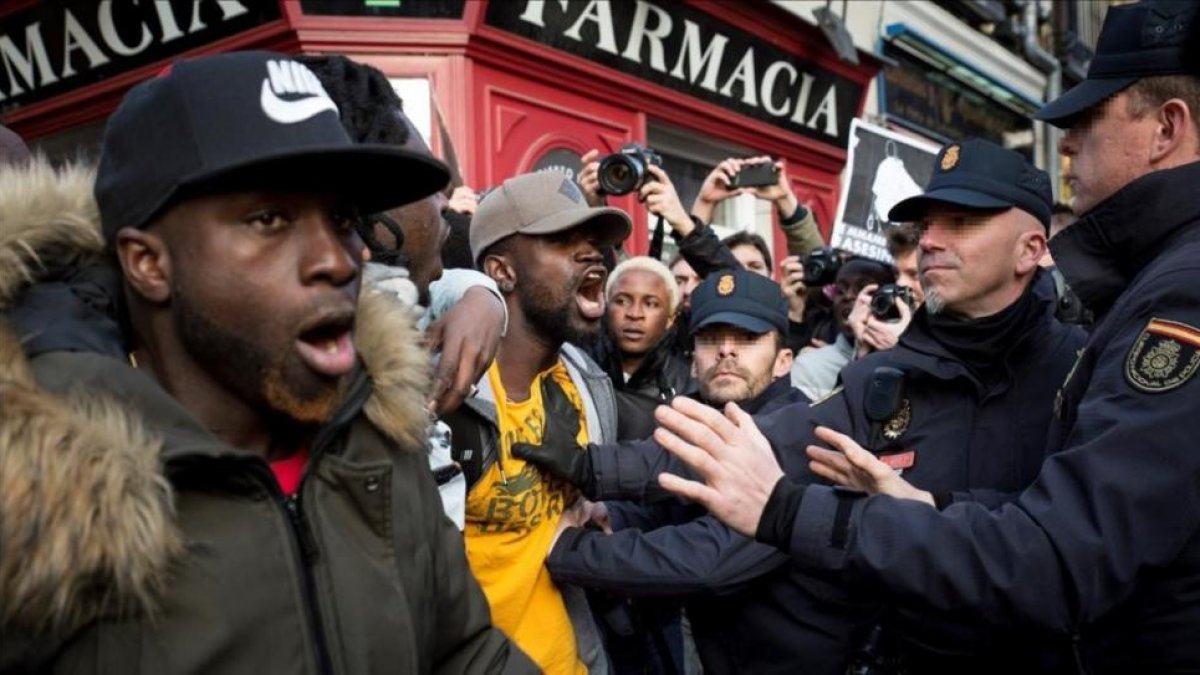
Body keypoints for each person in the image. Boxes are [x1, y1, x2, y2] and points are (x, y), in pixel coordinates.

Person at [653, 3, 1200, 671]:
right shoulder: (1151, 282)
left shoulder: (1176, 293)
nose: (1068, 145)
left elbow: (1062, 553)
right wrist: (925, 502)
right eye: (927, 227)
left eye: (1087, 123)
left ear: (1166, 128)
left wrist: (786, 509)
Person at [0, 51, 533, 673]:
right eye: (270, 219)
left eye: (340, 219)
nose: (338, 259)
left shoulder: (375, 434)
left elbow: (462, 652)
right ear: (149, 262)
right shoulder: (38, 498)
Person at [514, 269, 802, 673]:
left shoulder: (796, 433)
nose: (726, 351)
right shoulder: (699, 419)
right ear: (694, 362)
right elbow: (673, 504)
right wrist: (611, 516)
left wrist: (570, 550)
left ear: (783, 361)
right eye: (710, 338)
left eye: (747, 339)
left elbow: (707, 558)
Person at [453, 170, 630, 674]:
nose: (591, 253)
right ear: (501, 270)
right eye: (561, 239)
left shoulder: (588, 388)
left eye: (594, 242)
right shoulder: (449, 394)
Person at [593, 256, 692, 441]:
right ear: (605, 307)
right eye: (622, 301)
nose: (634, 314)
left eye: (651, 304)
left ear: (670, 318)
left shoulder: (688, 387)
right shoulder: (578, 370)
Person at [789, 258, 895, 400]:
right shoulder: (809, 367)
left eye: (864, 289)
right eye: (840, 290)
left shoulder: (911, 359)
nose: (848, 296)